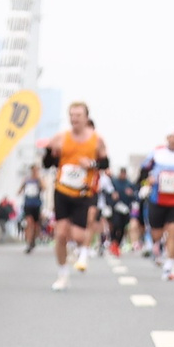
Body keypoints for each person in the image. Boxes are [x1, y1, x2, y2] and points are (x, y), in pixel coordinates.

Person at [41, 102, 112, 292]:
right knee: (60, 234)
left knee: (78, 235)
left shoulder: (97, 140)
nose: (74, 119)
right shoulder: (60, 138)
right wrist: (49, 151)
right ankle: (62, 274)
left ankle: (81, 250)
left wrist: (92, 164)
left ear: (86, 117)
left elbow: (105, 163)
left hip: (83, 193)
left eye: (78, 115)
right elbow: (47, 164)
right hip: (62, 190)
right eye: (72, 115)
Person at [145, 130, 174, 277]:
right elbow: (144, 168)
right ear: (167, 138)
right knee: (157, 232)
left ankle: (170, 263)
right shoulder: (157, 152)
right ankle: (158, 245)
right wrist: (149, 178)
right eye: (172, 137)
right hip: (157, 198)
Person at [18, 167, 45, 252]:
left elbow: (44, 188)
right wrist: (21, 189)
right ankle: (29, 243)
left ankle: (33, 239)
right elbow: (19, 190)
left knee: (36, 225)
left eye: (36, 171)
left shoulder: (39, 180)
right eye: (33, 171)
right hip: (28, 204)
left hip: (36, 205)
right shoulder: (26, 180)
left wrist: (39, 179)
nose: (34, 172)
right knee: (29, 223)